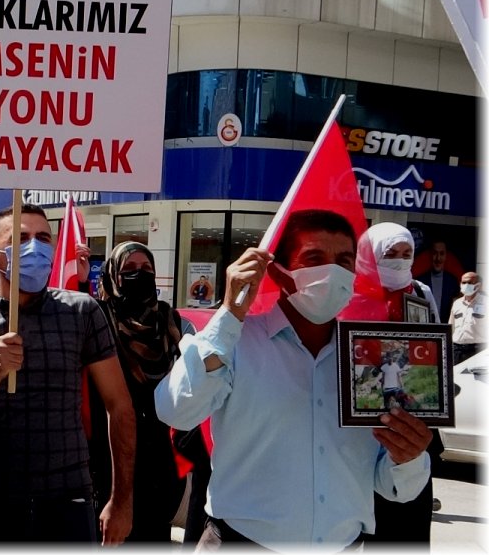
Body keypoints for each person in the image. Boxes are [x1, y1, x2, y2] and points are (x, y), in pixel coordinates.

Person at [155, 209, 433, 549]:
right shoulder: (236, 340)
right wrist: (229, 313)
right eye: (314, 258)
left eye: (344, 261)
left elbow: (395, 486)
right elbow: (176, 410)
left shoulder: (372, 357)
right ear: (280, 272)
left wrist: (409, 456)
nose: (332, 271)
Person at [0, 203, 136, 544]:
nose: (35, 247)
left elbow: (119, 407)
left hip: (67, 503)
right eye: (21, 238)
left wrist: (121, 501)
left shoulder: (82, 312)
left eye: (43, 238)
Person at [347, 222, 444, 546]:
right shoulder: (348, 292)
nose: (400, 262)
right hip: (356, 429)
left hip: (409, 424)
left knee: (404, 523)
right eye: (390, 254)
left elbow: (433, 344)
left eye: (406, 254)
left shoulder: (420, 292)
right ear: (369, 255)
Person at [90, 241, 185, 544]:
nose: (139, 275)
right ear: (112, 276)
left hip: (161, 453)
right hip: (111, 453)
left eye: (146, 269)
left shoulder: (168, 320)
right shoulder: (99, 317)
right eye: (129, 269)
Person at [450, 271, 485, 365]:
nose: (466, 285)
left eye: (469, 283)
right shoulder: (457, 303)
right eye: (463, 282)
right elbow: (451, 327)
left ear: (478, 285)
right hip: (457, 350)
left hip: (477, 351)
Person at [422, 240, 460, 321]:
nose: (438, 258)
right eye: (435, 253)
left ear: (446, 256)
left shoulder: (453, 282)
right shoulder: (420, 281)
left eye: (441, 253)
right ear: (430, 255)